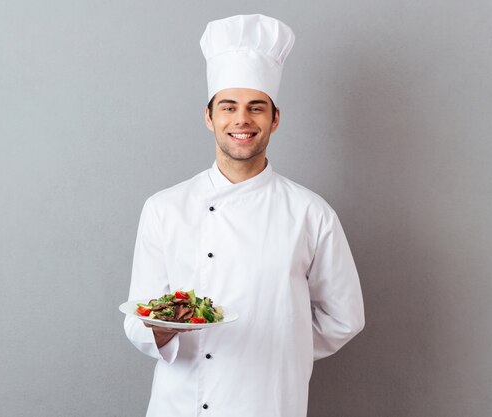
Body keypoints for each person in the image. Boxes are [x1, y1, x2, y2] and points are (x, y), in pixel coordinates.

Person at [124, 14, 365, 417]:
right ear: (209, 117)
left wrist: (280, 350)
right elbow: (137, 317)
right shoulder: (164, 208)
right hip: (178, 405)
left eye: (256, 107)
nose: (242, 120)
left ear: (274, 118)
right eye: (228, 107)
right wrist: (163, 331)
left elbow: (345, 317)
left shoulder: (310, 213)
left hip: (267, 402)